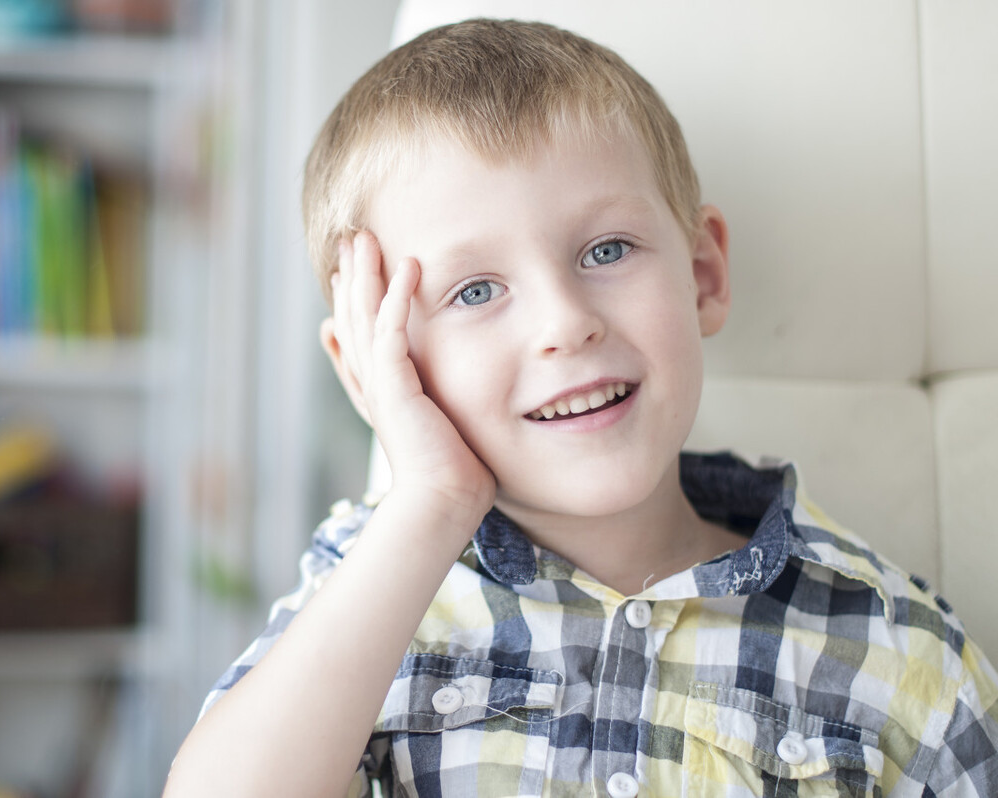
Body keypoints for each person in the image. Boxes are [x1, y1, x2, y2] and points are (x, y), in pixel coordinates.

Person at [163, 18, 998, 797]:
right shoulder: (366, 590)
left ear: (702, 277)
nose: (565, 322)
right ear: (374, 371)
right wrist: (433, 505)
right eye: (476, 290)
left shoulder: (896, 648)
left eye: (606, 250)